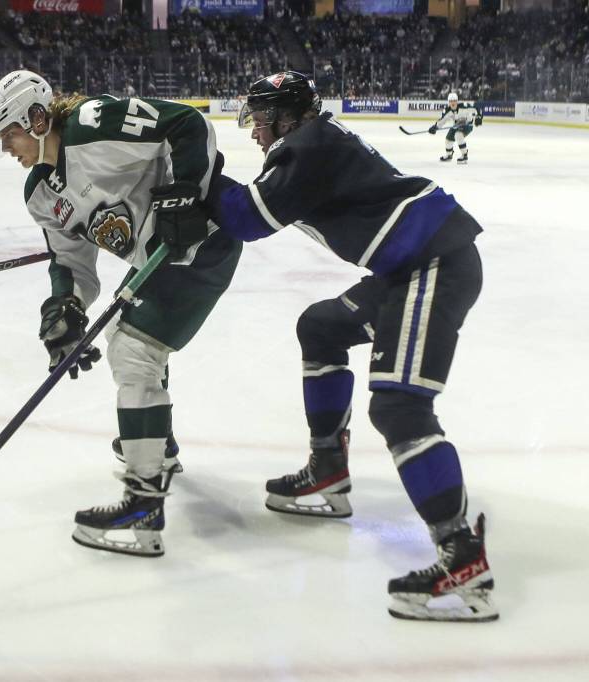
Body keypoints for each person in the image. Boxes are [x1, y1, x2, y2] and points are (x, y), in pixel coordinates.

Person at [208, 71, 496, 622]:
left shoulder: (308, 147)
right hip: (410, 264)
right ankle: (329, 472)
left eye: (263, 119)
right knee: (321, 327)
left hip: (432, 264)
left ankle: (464, 562)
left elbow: (246, 218)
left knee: (398, 406)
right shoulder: (312, 141)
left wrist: (201, 176)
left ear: (289, 117)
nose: (256, 132)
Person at [0, 70, 241, 557]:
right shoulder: (40, 192)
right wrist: (66, 308)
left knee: (131, 349)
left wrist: (187, 190)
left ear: (37, 120)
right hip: (157, 259)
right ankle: (157, 448)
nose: (6, 148)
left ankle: (143, 504)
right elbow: (71, 263)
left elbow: (188, 124)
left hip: (202, 243)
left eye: (9, 133)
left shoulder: (94, 123)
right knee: (137, 345)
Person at [429, 92, 483, 164]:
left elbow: (477, 109)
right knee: (448, 140)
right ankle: (449, 155)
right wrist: (435, 127)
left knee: (458, 135)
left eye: (454, 101)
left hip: (467, 125)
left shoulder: (464, 106)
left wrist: (479, 117)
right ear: (448, 102)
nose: (453, 103)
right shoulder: (447, 111)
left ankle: (464, 155)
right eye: (451, 101)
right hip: (456, 126)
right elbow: (442, 120)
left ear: (457, 101)